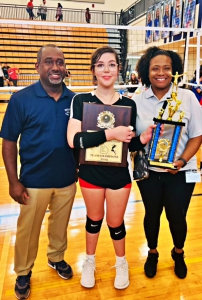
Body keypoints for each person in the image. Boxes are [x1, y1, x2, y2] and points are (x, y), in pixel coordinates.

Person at [67, 46, 158, 290]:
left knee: (116, 223)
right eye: (100, 65)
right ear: (93, 71)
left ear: (119, 69)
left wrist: (144, 138)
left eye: (111, 64)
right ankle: (89, 261)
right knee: (94, 219)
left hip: (119, 174)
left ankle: (121, 263)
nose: (106, 69)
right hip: (90, 174)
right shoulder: (81, 100)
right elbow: (74, 140)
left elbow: (130, 145)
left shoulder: (128, 104)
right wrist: (110, 133)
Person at [0, 44, 77, 300]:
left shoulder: (75, 100)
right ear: (37, 66)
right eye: (48, 62)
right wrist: (13, 182)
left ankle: (56, 258)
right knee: (28, 229)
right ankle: (23, 272)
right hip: (34, 181)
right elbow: (9, 141)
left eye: (60, 62)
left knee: (60, 226)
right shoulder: (21, 99)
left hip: (67, 179)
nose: (55, 67)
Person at [132, 46, 202, 280]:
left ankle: (178, 253)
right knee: (151, 214)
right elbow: (131, 138)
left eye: (166, 68)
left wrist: (181, 160)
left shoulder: (187, 98)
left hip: (180, 172)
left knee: (177, 215)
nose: (160, 73)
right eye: (155, 68)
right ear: (146, 71)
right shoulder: (136, 100)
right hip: (149, 172)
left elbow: (197, 135)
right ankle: (152, 253)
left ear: (174, 71)